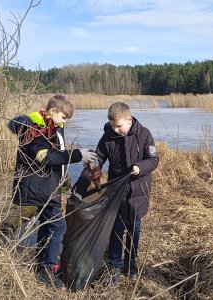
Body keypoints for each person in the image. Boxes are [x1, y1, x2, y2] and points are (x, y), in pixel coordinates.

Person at [8, 94, 97, 290]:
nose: (65, 121)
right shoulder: (34, 129)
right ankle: (48, 272)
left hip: (50, 187)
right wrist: (77, 155)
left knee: (47, 225)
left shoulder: (54, 126)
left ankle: (41, 267)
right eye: (63, 117)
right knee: (57, 227)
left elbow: (58, 153)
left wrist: (64, 180)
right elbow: (46, 157)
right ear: (53, 111)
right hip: (39, 188)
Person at [71, 102, 159, 286]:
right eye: (112, 125)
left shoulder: (144, 134)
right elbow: (97, 161)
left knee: (134, 231)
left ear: (129, 119)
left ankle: (131, 265)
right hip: (115, 195)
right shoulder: (107, 137)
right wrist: (82, 185)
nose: (115, 129)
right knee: (115, 231)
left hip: (138, 193)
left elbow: (153, 160)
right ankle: (114, 268)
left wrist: (139, 167)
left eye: (118, 126)